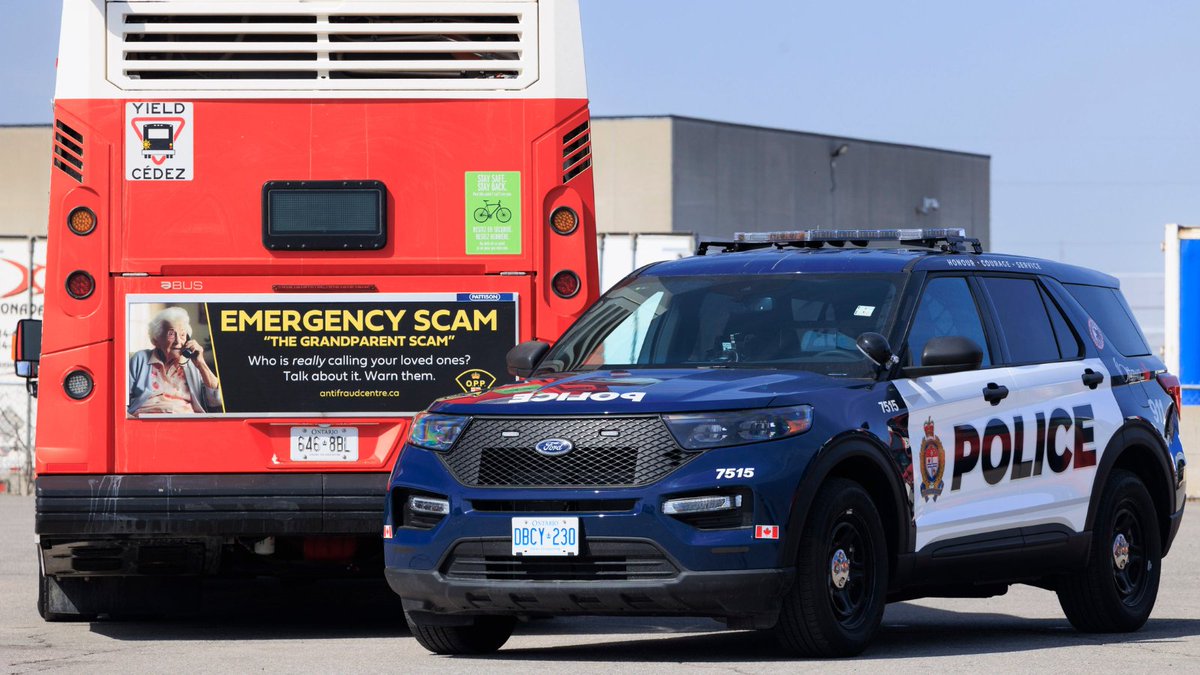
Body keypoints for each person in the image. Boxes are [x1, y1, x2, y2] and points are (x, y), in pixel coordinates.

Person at [128, 306, 222, 415]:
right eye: (171, 334)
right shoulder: (140, 359)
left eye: (182, 335)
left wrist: (201, 363)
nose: (178, 341)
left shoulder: (192, 363)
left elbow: (216, 401)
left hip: (184, 422)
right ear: (156, 340)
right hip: (146, 422)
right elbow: (120, 400)